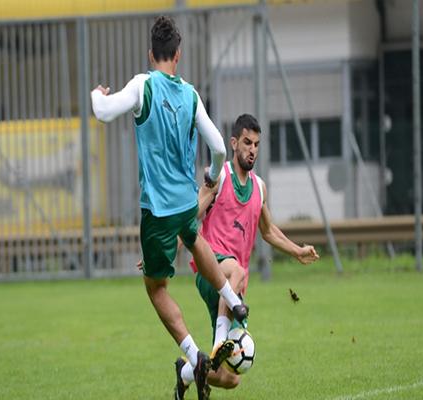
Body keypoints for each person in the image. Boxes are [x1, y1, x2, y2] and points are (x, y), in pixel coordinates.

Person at [90, 16, 248, 400]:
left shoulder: (142, 85)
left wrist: (97, 93)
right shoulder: (190, 94)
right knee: (195, 241)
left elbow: (104, 112)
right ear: (178, 54)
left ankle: (194, 354)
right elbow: (220, 149)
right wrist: (211, 175)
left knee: (156, 286)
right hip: (185, 202)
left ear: (151, 54)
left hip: (157, 209)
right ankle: (233, 300)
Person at [173, 114, 319, 399]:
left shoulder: (260, 188)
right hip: (209, 266)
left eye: (257, 144)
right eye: (247, 142)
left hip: (234, 290)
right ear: (234, 143)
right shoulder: (219, 175)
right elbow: (191, 216)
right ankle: (216, 346)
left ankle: (186, 373)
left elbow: (269, 231)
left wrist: (297, 250)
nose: (252, 149)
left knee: (230, 378)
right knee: (237, 269)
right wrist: (167, 249)